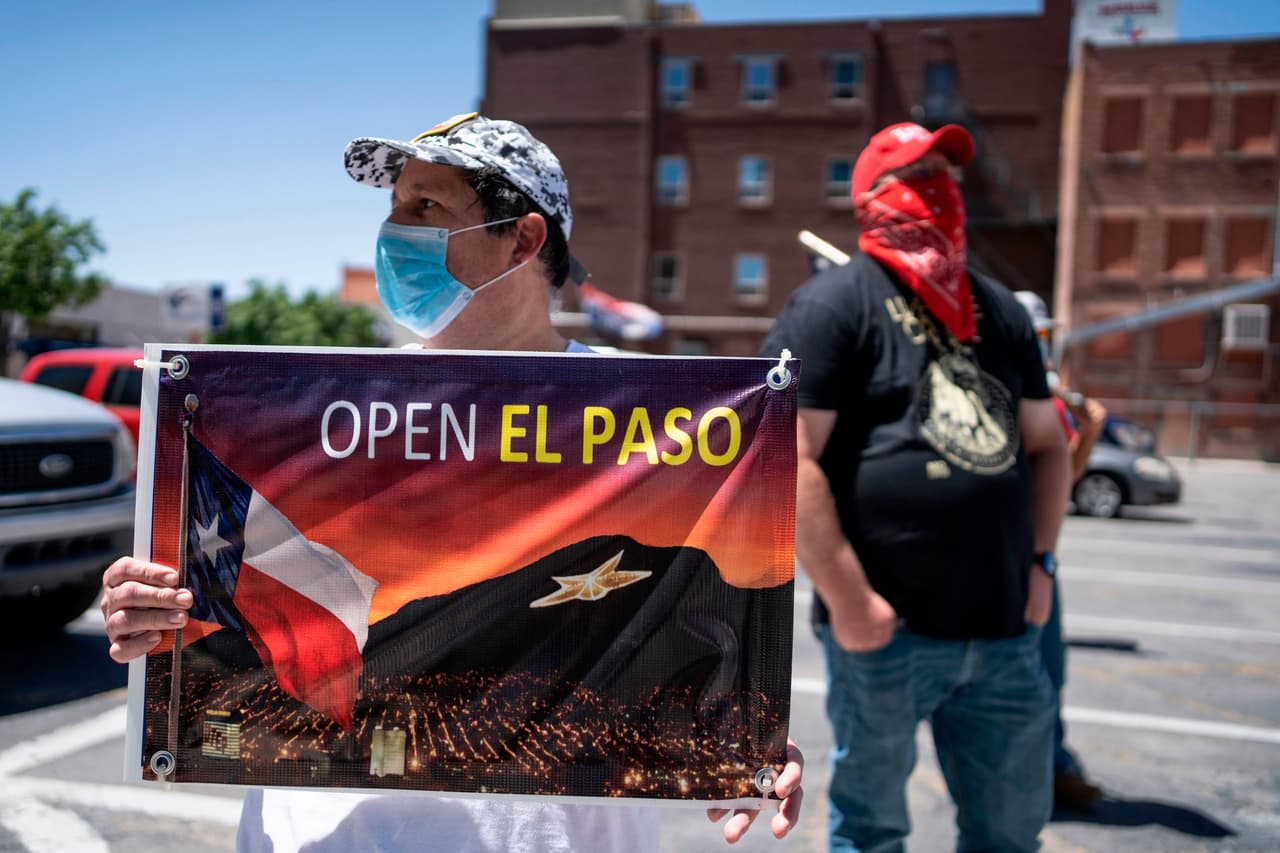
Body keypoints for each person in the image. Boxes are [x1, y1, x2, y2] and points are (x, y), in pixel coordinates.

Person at [102, 113, 803, 852]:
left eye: (426, 208)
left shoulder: (665, 425)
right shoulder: (312, 403)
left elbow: (698, 635)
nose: (392, 231)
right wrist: (149, 609)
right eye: (394, 206)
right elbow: (214, 614)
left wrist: (749, 740)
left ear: (524, 240)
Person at [761, 121, 1073, 852]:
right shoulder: (833, 306)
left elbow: (1049, 444)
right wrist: (849, 600)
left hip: (1005, 631)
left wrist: (1042, 564)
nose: (939, 188)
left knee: (1011, 830)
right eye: (917, 174)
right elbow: (789, 460)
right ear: (869, 199)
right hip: (885, 633)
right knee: (871, 828)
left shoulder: (998, 311)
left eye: (946, 174)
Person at [1013, 289, 1108, 810]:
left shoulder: (1045, 400)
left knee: (1049, 669)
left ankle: (1053, 765)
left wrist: (1087, 433)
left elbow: (1062, 478)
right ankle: (1036, 773)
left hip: (1038, 557)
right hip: (1001, 561)